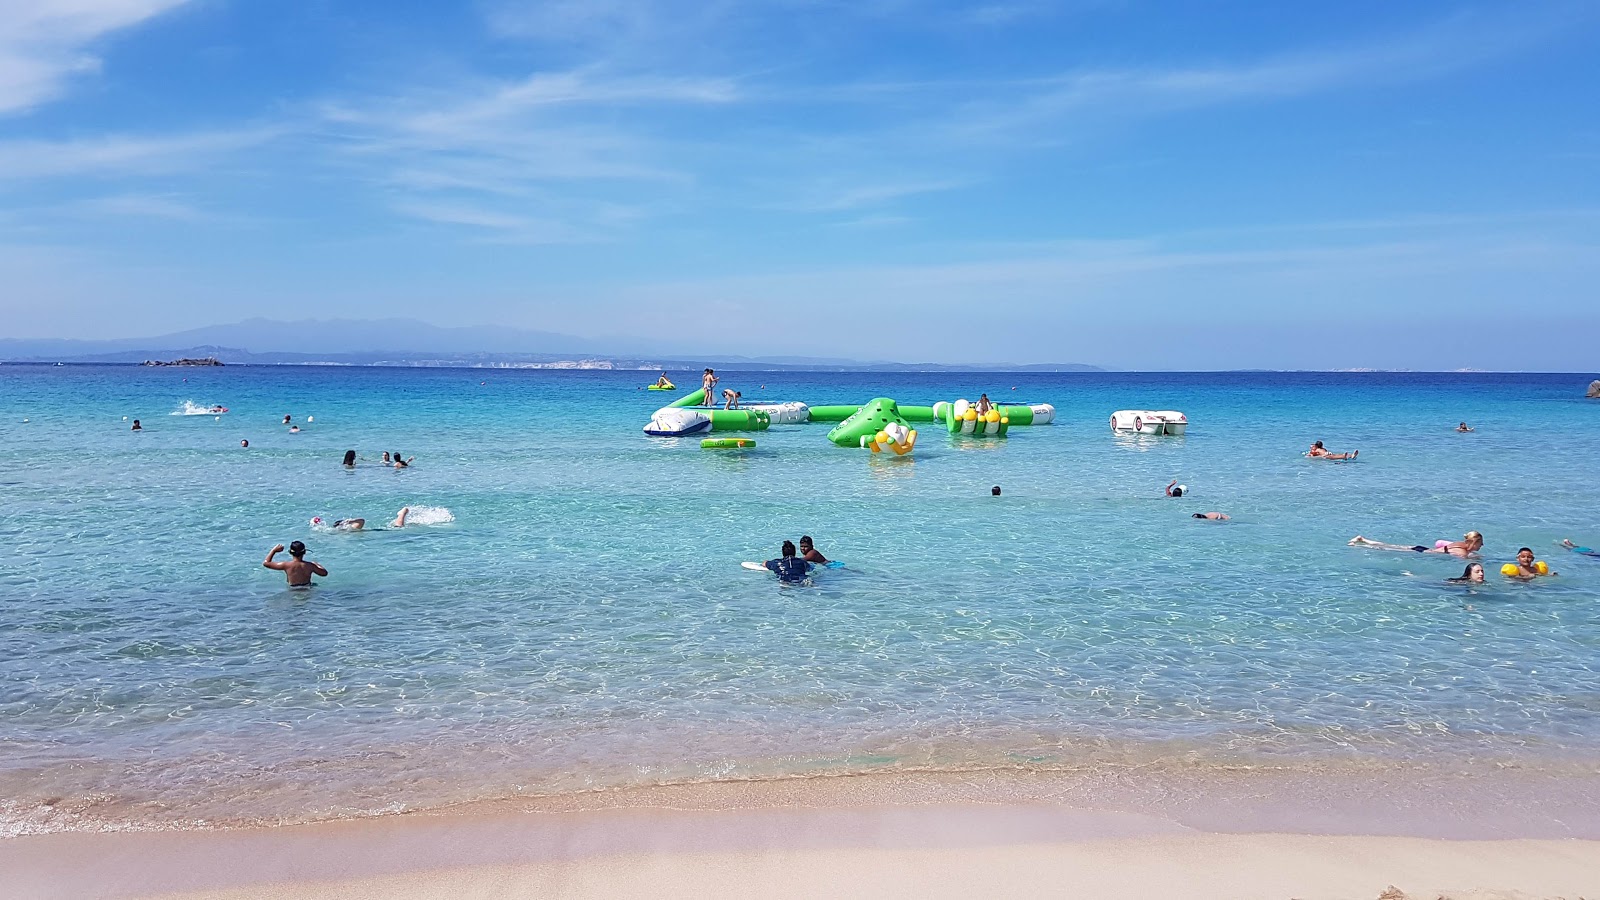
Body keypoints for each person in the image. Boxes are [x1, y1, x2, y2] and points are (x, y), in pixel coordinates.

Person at [1349, 531, 1483, 556]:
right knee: (1387, 549)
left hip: (1423, 548)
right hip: (1423, 552)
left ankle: (1363, 539)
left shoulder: (1459, 544)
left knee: (1389, 545)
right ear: (1473, 543)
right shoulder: (1462, 552)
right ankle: (1360, 545)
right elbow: (1462, 559)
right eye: (1480, 543)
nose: (1481, 546)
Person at [263, 540, 327, 587]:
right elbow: (324, 573)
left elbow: (266, 563)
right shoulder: (310, 565)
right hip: (307, 588)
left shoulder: (286, 565)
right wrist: (316, 564)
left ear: (290, 552)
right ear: (304, 552)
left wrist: (273, 550)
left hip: (293, 589)